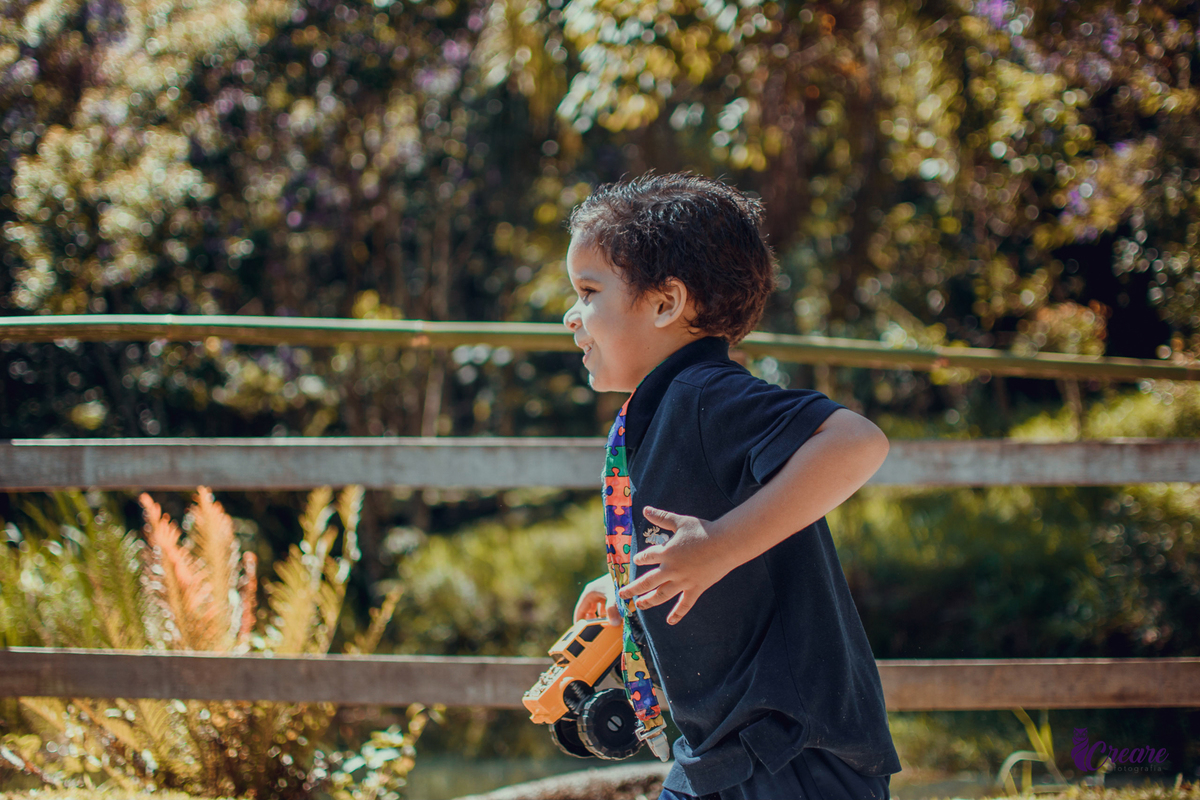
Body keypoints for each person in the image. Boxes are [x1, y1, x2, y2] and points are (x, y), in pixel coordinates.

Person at [561, 173, 902, 800]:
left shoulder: (707, 395)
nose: (570, 315)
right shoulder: (665, 407)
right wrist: (631, 580)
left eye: (588, 291)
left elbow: (858, 443)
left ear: (666, 303)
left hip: (785, 754)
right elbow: (709, 527)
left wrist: (720, 545)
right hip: (729, 751)